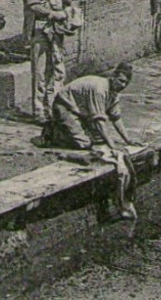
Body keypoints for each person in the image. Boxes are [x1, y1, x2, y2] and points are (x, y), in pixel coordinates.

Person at [48, 63, 137, 219]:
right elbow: (99, 121)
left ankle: (75, 128)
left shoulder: (115, 94)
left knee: (95, 139)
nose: (122, 85)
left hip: (82, 111)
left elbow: (116, 118)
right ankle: (53, 133)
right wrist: (112, 145)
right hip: (65, 106)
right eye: (120, 80)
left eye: (125, 83)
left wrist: (128, 140)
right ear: (113, 77)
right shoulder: (100, 89)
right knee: (84, 143)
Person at [24, 0, 74, 121]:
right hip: (41, 30)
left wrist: (67, 11)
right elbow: (32, 4)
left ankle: (56, 108)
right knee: (40, 72)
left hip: (56, 31)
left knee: (57, 70)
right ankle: (39, 112)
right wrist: (51, 14)